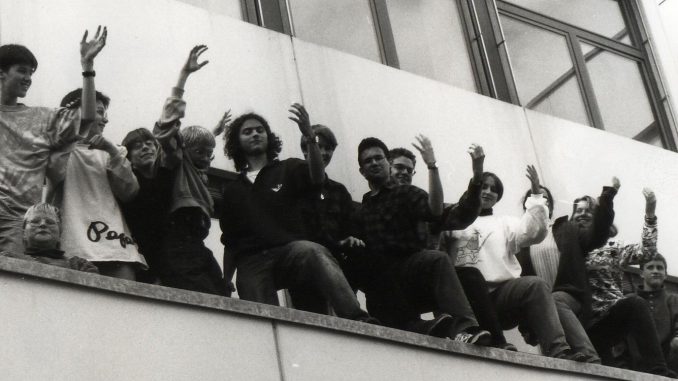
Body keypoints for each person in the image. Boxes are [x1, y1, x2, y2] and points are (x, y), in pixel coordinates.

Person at [219, 105, 374, 322]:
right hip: (252, 261)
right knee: (263, 319)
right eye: (247, 131)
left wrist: (310, 137)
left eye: (260, 130)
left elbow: (318, 177)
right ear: (237, 142)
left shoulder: (289, 168)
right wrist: (226, 279)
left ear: (268, 137)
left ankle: (357, 318)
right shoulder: (233, 190)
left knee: (313, 251)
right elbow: (231, 241)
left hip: (289, 252)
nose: (255, 133)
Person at [440, 167, 587, 360]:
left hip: (501, 298)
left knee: (535, 284)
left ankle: (559, 350)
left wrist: (535, 194)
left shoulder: (505, 223)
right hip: (468, 303)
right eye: (483, 186)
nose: (488, 192)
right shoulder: (454, 222)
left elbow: (533, 232)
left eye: (494, 189)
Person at [354, 137, 489, 343]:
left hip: (412, 273)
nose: (404, 173)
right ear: (362, 170)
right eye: (368, 160)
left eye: (378, 158)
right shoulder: (361, 209)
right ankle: (425, 328)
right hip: (383, 286)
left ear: (385, 163)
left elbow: (441, 211)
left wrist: (433, 167)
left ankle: (466, 330)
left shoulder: (409, 195)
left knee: (441, 261)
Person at [392, 140, 513, 349]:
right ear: (387, 167)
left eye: (409, 170)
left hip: (425, 282)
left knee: (470, 274)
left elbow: (460, 213)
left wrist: (477, 177)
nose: (404, 173)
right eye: (399, 168)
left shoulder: (423, 206)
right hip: (392, 286)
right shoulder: (371, 206)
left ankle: (496, 342)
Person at [0, 27, 104, 254]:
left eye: (30, 73)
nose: (28, 78)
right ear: (2, 73)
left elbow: (87, 117)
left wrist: (87, 66)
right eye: (22, 71)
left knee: (12, 283)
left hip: (15, 221)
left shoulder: (43, 119)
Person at [150, 45, 227, 296]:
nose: (206, 158)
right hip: (179, 235)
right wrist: (183, 77)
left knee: (222, 288)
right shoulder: (176, 161)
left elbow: (200, 144)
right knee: (198, 289)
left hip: (196, 239)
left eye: (209, 153)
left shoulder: (196, 167)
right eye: (200, 152)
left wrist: (213, 132)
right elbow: (167, 129)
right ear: (186, 150)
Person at [47, 87, 146, 280]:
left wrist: (113, 152)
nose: (105, 119)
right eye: (99, 112)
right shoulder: (59, 150)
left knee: (124, 301)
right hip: (72, 242)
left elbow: (129, 191)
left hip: (114, 245)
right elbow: (54, 174)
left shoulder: (114, 152)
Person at [516, 181, 618, 364]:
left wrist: (607, 199)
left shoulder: (567, 228)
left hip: (571, 297)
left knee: (555, 299)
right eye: (535, 196)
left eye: (545, 198)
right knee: (558, 364)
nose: (541, 201)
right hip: (540, 309)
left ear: (551, 205)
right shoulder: (520, 240)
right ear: (527, 205)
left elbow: (597, 234)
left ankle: (591, 358)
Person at [583, 188, 675, 377]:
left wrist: (650, 214)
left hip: (607, 321)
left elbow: (647, 252)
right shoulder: (569, 248)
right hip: (580, 325)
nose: (583, 216)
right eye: (579, 212)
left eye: (590, 214)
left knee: (634, 303)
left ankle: (657, 371)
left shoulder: (612, 249)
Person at [120, 127, 174, 284]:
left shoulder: (166, 176)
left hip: (167, 253)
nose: (145, 148)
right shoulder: (128, 182)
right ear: (128, 156)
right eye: (137, 146)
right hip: (138, 253)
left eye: (149, 144)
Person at [0, 203, 98, 274]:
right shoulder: (6, 259)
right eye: (35, 221)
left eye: (50, 222)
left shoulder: (79, 265)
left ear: (60, 234)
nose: (42, 224)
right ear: (23, 233)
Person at [636, 254, 678, 373]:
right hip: (635, 365)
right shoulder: (630, 301)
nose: (655, 271)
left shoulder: (674, 300)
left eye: (660, 268)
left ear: (666, 274)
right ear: (641, 273)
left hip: (669, 367)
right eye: (650, 267)